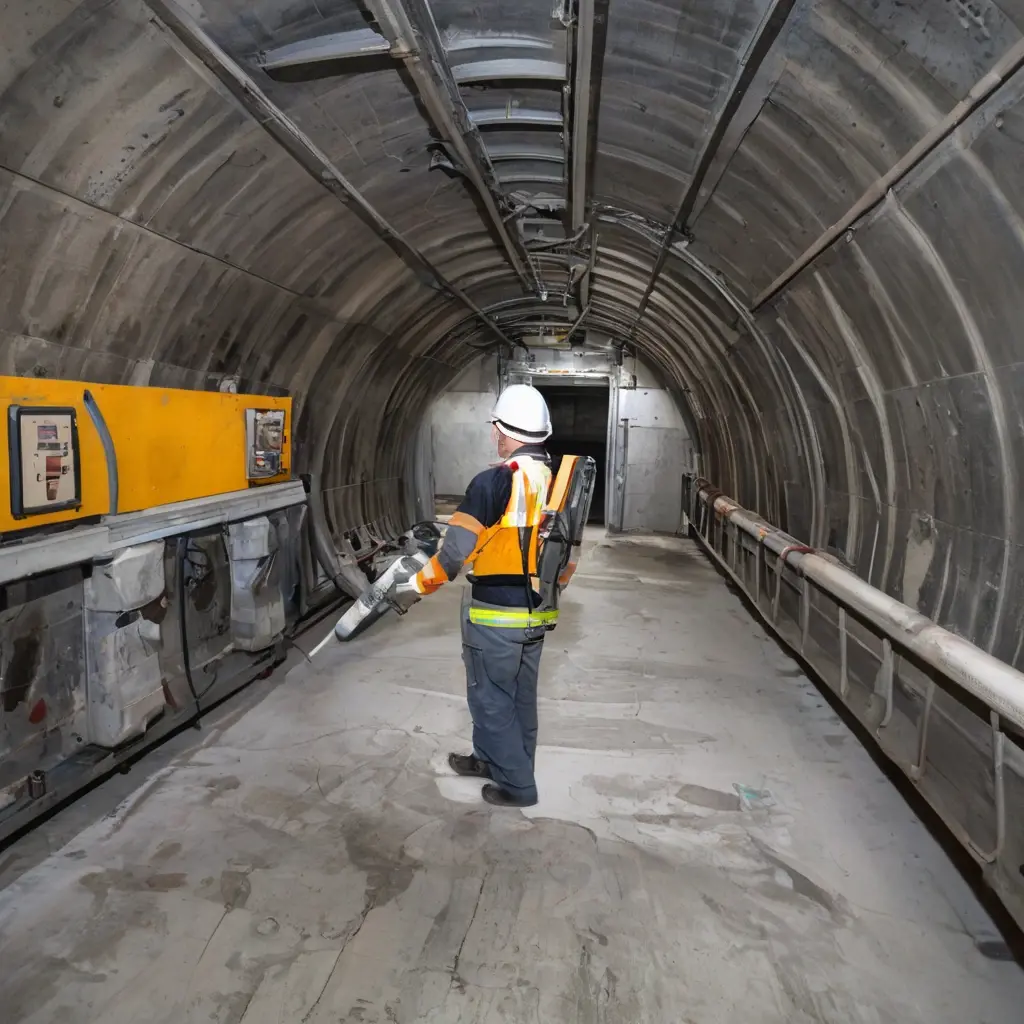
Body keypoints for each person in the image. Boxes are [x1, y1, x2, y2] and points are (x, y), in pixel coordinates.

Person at [409, 384, 554, 807]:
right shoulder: (552, 478)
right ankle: (490, 760)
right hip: (537, 609)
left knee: (490, 699)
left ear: (501, 431)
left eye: (495, 427)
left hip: (496, 614)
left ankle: (518, 786)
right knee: (519, 698)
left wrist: (417, 586)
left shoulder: (494, 482)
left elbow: (454, 553)